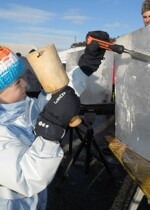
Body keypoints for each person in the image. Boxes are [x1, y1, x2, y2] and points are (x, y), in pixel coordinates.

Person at [0, 30, 109, 210]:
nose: (26, 84)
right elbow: (27, 176)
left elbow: (55, 98)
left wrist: (86, 65)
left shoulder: (23, 107)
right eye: (17, 83)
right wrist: (50, 132)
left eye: (22, 78)